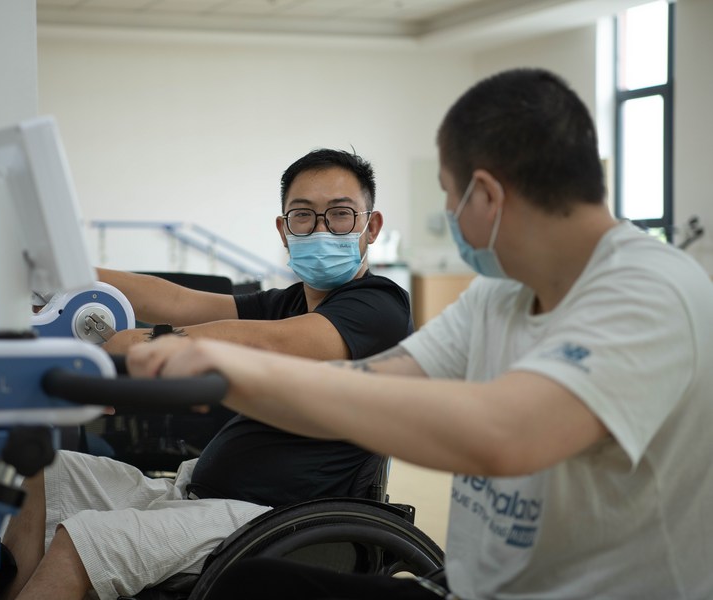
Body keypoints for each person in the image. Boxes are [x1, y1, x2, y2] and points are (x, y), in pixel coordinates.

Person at [129, 68, 713, 599]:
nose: (450, 212)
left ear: (483, 194)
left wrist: (242, 365)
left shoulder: (650, 291)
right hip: (473, 586)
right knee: (252, 585)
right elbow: (372, 385)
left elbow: (503, 434)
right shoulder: (500, 293)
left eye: (446, 192)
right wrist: (200, 365)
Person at [0, 148, 415, 600]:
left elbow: (270, 342)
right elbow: (178, 302)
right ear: (283, 229)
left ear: (370, 227)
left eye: (340, 215)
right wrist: (67, 278)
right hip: (200, 496)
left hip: (274, 522)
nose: (320, 229)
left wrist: (131, 347)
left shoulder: (378, 308)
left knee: (82, 545)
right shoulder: (290, 302)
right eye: (303, 216)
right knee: (40, 471)